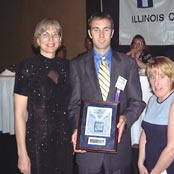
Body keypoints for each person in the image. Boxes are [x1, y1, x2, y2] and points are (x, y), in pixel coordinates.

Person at [69, 12, 146, 174]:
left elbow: (137, 102)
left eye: (106, 30)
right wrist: (77, 128)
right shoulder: (76, 65)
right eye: (96, 30)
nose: (101, 35)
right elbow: (74, 105)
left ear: (112, 32)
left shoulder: (128, 64)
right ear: (90, 33)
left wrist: (126, 118)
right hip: (88, 151)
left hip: (119, 148)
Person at [14, 18, 74, 174]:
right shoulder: (26, 67)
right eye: (45, 34)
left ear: (60, 39)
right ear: (37, 39)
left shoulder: (68, 67)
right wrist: (22, 154)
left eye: (55, 34)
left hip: (64, 142)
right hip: (37, 142)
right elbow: (19, 114)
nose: (51, 38)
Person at [138, 57, 174, 174]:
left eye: (162, 77)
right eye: (152, 77)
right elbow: (145, 134)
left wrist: (154, 172)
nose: (156, 83)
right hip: (153, 167)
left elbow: (173, 149)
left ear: (172, 78)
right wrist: (140, 163)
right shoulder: (152, 100)